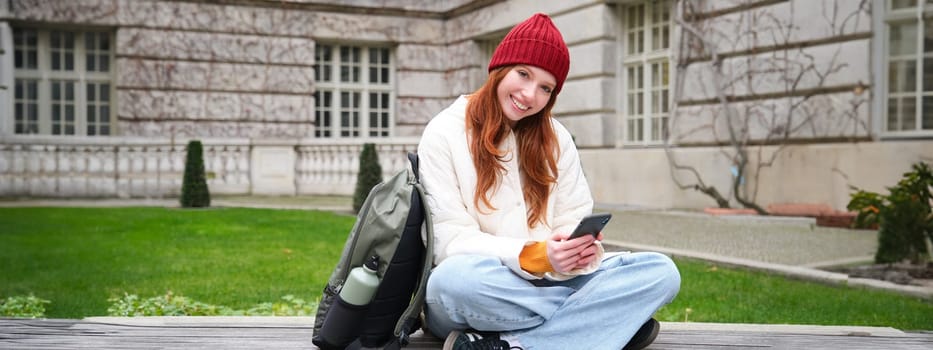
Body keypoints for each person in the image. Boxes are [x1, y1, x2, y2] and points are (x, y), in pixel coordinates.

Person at [416, 13, 681, 350]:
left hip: (550, 282)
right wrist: (533, 256)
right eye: (523, 74)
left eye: (545, 87)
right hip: (481, 290)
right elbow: (448, 240)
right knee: (453, 282)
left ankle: (515, 344)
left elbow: (573, 215)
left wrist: (577, 250)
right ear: (499, 69)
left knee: (661, 272)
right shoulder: (444, 132)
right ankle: (601, 322)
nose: (529, 95)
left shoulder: (557, 138)